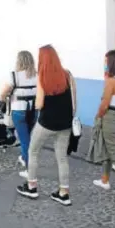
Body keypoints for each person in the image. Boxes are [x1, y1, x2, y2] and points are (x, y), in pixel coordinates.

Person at [16, 45, 75, 207]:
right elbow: (74, 100)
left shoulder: (42, 77)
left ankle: (32, 186)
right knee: (62, 157)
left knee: (33, 151)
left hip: (47, 122)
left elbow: (39, 104)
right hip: (65, 122)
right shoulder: (68, 75)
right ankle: (64, 193)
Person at [92, 50, 115, 204]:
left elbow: (104, 104)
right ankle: (105, 180)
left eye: (106, 62)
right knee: (109, 148)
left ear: (112, 63)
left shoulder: (111, 81)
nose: (104, 64)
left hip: (112, 118)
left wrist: (98, 116)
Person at [0, 51, 37, 178]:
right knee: (28, 138)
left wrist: (3, 98)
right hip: (33, 111)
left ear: (19, 61)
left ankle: (29, 169)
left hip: (18, 111)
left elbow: (3, 93)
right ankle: (25, 157)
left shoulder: (14, 76)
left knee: (24, 140)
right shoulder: (38, 75)